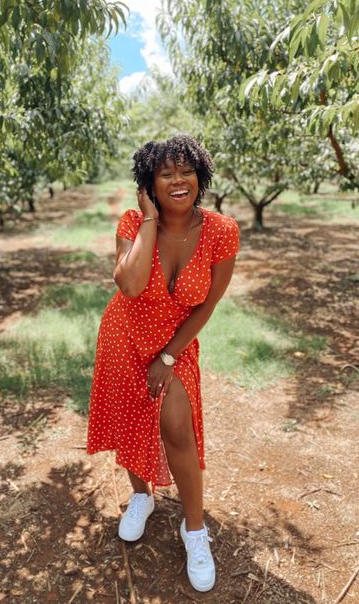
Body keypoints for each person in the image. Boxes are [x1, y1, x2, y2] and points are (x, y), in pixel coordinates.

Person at [86, 134, 240, 592]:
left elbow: (206, 306)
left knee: (177, 428)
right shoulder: (134, 221)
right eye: (165, 173)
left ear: (200, 176)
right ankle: (141, 497)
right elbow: (129, 286)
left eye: (185, 171)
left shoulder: (221, 230)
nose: (177, 180)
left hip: (175, 343)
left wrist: (169, 355)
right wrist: (150, 220)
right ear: (149, 183)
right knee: (131, 418)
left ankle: (195, 531)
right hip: (124, 336)